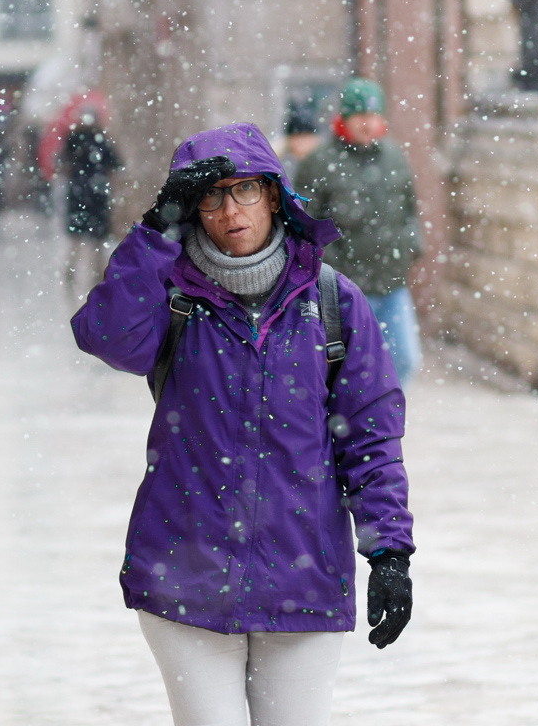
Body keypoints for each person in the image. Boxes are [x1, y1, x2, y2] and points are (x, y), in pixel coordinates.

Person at [71, 123, 414, 726]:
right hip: (186, 579)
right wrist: (154, 233)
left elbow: (371, 437)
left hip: (302, 579)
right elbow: (104, 334)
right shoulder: (172, 299)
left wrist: (389, 552)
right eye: (211, 196)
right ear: (192, 211)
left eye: (246, 191)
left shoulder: (333, 304)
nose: (231, 210)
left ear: (275, 195)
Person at [296, 78, 423, 386]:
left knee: (404, 359)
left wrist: (412, 245)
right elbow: (303, 224)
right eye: (361, 117)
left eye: (374, 116)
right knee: (346, 369)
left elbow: (409, 208)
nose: (368, 124)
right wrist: (332, 265)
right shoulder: (320, 162)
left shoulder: (394, 157)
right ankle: (345, 426)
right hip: (344, 291)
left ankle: (381, 421)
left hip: (391, 282)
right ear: (344, 119)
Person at [56, 104, 122, 296]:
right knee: (95, 236)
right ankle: (95, 270)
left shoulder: (73, 139)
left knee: (78, 236)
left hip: (80, 192)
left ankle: (72, 269)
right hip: (96, 192)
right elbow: (116, 165)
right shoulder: (101, 139)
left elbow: (62, 163)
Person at [278, 99, 321, 178]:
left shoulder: (322, 164)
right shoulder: (279, 166)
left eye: (305, 136)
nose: (301, 142)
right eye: (297, 136)